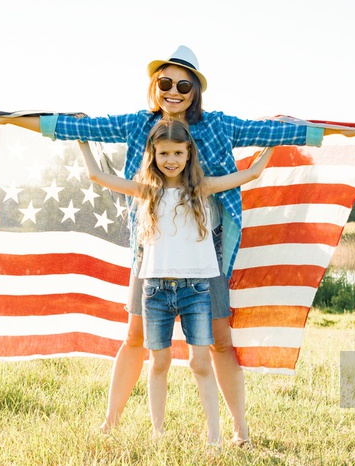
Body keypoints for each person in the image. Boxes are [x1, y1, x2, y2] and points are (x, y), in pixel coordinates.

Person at [0, 45, 355, 445]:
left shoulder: (217, 126)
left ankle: (239, 431)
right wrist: (4, 119)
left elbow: (280, 133)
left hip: (206, 254)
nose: (173, 91)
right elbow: (74, 128)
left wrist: (345, 130)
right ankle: (111, 423)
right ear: (154, 86)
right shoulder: (136, 125)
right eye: (165, 83)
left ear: (195, 89)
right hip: (151, 254)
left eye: (183, 84)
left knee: (219, 344)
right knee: (135, 339)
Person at [78, 118, 275, 444]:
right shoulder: (147, 191)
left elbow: (252, 173)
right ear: (153, 155)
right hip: (155, 288)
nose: (170, 160)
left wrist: (274, 143)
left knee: (200, 361)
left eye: (178, 153)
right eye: (163, 153)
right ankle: (158, 434)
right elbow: (97, 176)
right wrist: (82, 139)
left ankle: (216, 436)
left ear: (188, 154)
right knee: (158, 362)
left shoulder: (201, 188)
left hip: (197, 287)